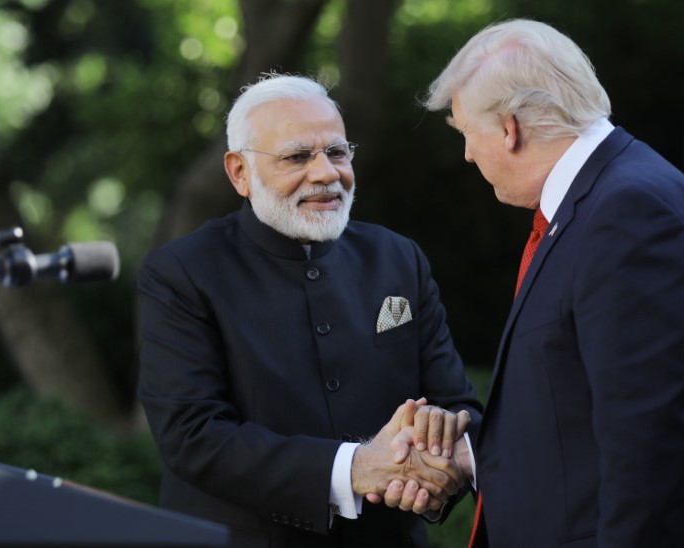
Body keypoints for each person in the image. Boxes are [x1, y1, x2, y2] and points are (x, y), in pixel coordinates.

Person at [391, 18, 684, 548]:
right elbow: (577, 414)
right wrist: (470, 454)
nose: (467, 153)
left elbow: (646, 448)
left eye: (466, 131)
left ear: (509, 128)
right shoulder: (611, 197)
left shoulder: (628, 211)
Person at [136, 73, 482, 548]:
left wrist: (439, 465)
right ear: (239, 172)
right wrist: (357, 469)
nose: (326, 173)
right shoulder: (182, 272)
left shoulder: (398, 257)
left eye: (337, 153)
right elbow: (193, 435)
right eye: (298, 156)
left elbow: (456, 405)